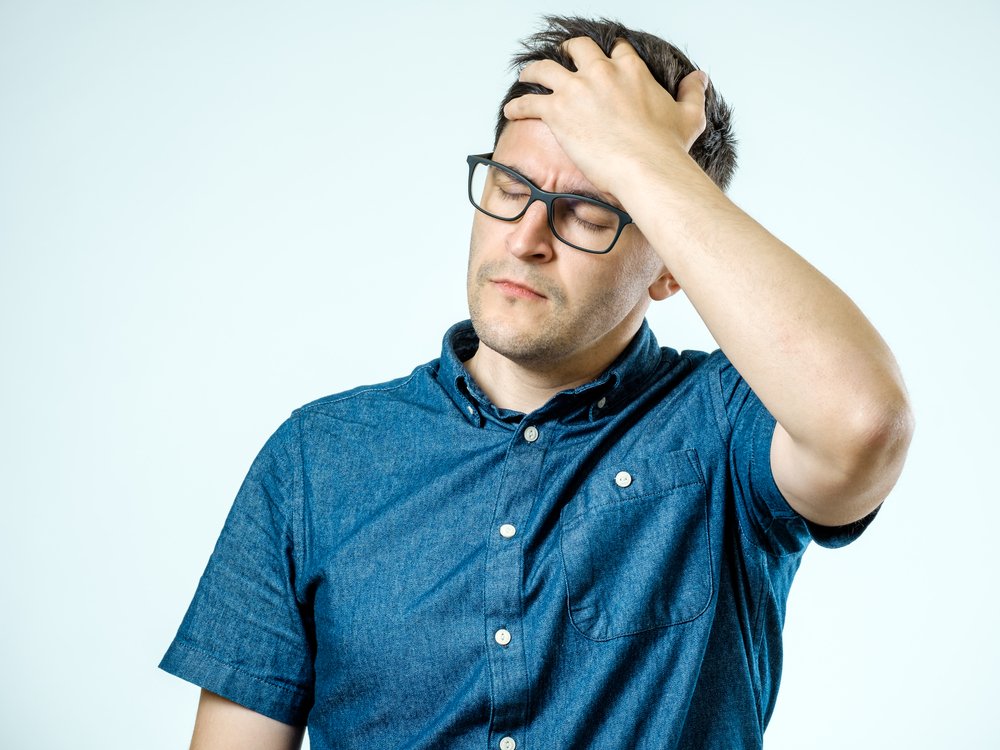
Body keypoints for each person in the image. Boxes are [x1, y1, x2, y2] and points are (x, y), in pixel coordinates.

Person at [159, 15, 913, 750]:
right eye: (511, 184)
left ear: (671, 265)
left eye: (588, 210)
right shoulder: (313, 460)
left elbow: (863, 422)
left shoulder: (727, 426)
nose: (525, 238)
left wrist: (647, 162)